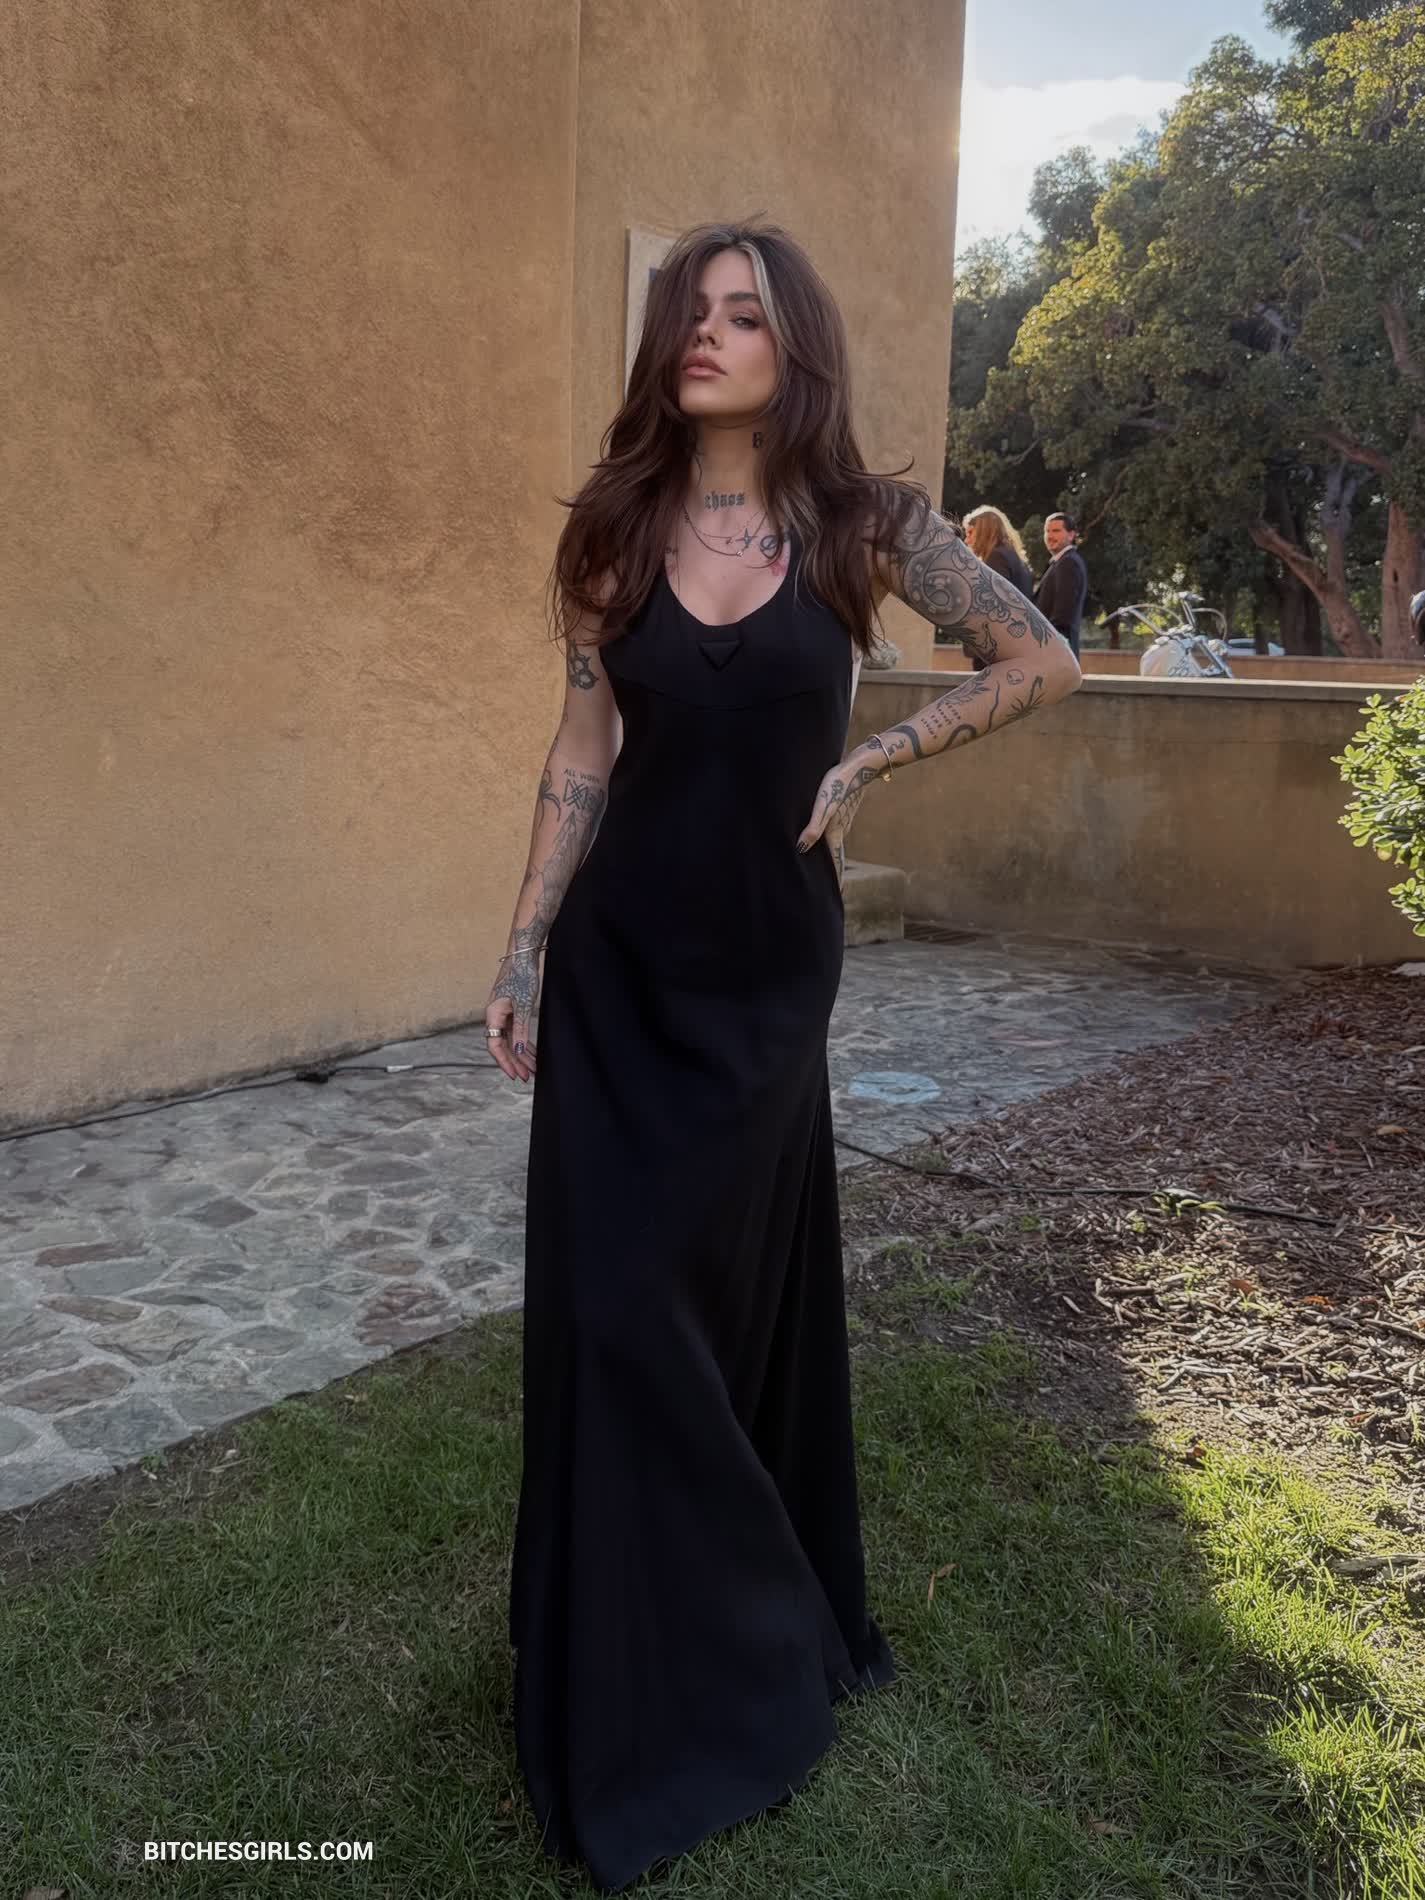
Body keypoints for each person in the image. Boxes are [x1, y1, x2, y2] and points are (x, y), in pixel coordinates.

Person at [483, 217, 1082, 1894]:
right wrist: (523, 942)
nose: (706, 333)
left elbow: (1044, 658)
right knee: (614, 1310)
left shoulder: (867, 524)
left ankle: (734, 1629)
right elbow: (583, 744)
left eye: (742, 314)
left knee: (721, 1306)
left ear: (792, 344)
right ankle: (636, 1657)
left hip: (763, 976)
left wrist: (883, 755)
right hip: (620, 969)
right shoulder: (613, 530)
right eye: (689, 310)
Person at [960, 505, 1035, 670]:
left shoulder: (997, 557)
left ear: (985, 532)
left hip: (997, 648)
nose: (967, 540)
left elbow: (993, 604)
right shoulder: (1013, 557)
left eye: (970, 533)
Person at [1034, 511, 1089, 656]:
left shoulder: (1068, 563)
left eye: (1056, 531)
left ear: (1071, 535)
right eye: (1047, 531)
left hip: (1056, 651)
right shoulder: (1060, 562)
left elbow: (1062, 615)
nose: (1050, 536)